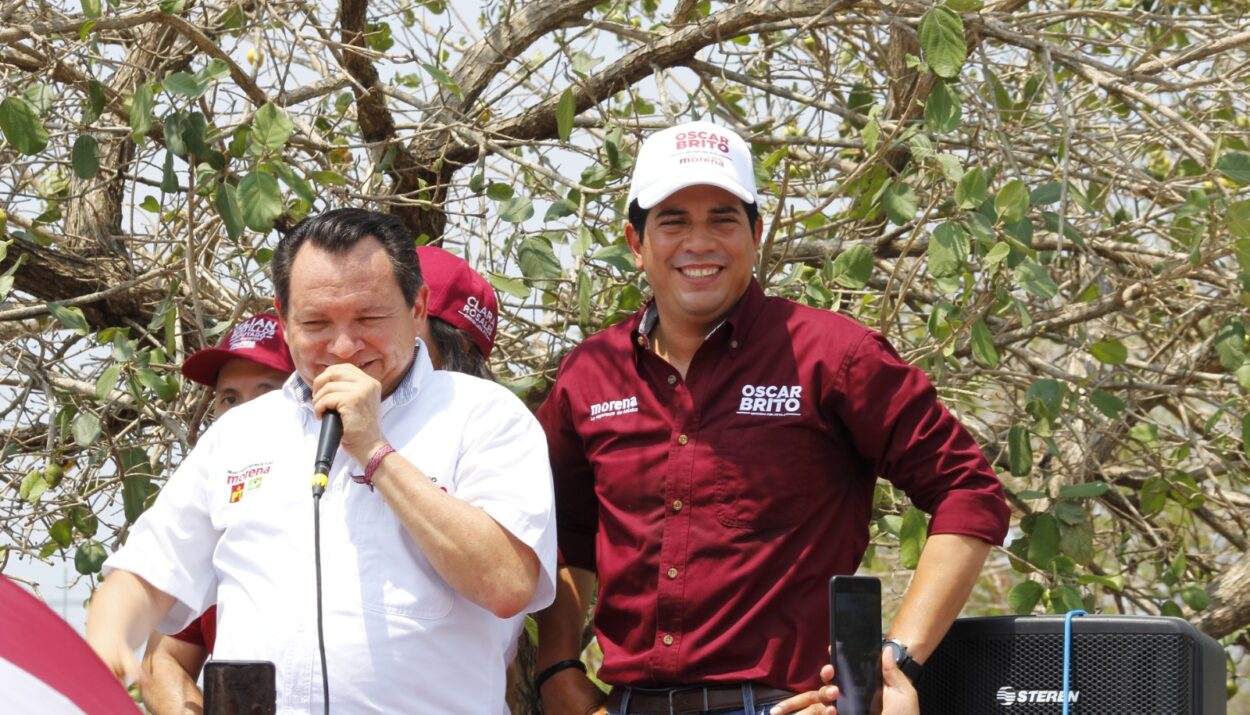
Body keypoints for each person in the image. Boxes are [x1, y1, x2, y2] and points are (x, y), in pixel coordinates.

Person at [533, 121, 1010, 715]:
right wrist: (556, 668)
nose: (699, 242)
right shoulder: (590, 373)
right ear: (636, 242)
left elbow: (969, 492)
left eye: (723, 219)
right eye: (673, 220)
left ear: (756, 234)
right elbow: (560, 530)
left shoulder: (833, 355)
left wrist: (889, 669)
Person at [87, 208, 556, 713]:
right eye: (315, 323)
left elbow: (507, 584)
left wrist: (375, 451)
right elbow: (147, 572)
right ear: (283, 320)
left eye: (369, 319)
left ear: (417, 307)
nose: (343, 347)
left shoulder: (482, 415)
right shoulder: (240, 434)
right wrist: (108, 637)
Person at [140, 312, 296, 715]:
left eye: (267, 395)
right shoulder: (210, 528)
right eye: (229, 399)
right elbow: (162, 661)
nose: (243, 415)